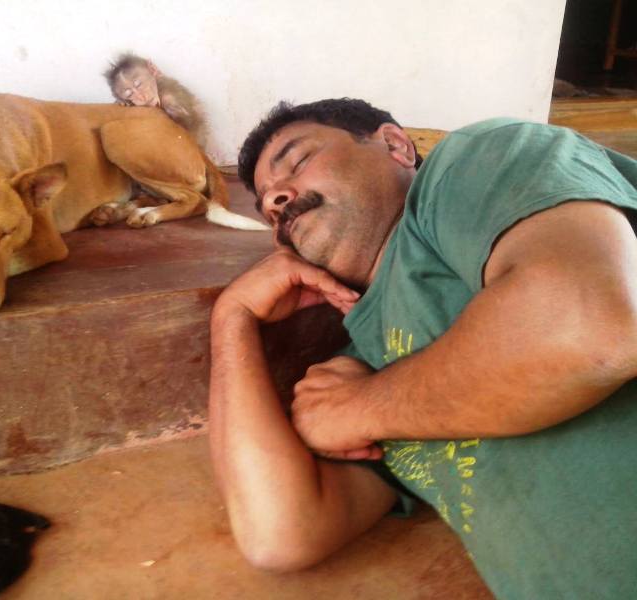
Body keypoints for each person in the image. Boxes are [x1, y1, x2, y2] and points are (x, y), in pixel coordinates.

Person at [208, 98, 637, 599]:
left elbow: (591, 325)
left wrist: (361, 410)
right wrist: (231, 318)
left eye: (297, 162)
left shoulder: (477, 157)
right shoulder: (360, 361)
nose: (277, 200)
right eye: (265, 206)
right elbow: (278, 533)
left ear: (394, 144)